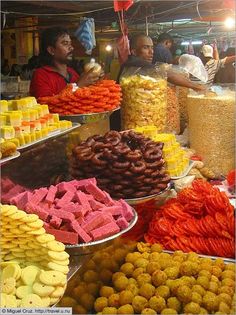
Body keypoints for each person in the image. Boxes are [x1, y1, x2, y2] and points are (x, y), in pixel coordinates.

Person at [112, 34, 205, 131]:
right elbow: (168, 75)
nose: (151, 52)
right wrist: (196, 86)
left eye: (152, 48)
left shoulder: (136, 66)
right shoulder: (134, 63)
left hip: (138, 120)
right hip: (130, 122)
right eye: (145, 47)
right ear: (134, 51)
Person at [30, 27, 102, 98]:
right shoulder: (41, 75)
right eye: (65, 43)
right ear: (51, 50)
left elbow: (84, 99)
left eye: (70, 43)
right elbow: (46, 105)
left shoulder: (72, 73)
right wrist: (77, 86)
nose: (71, 48)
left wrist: (94, 81)